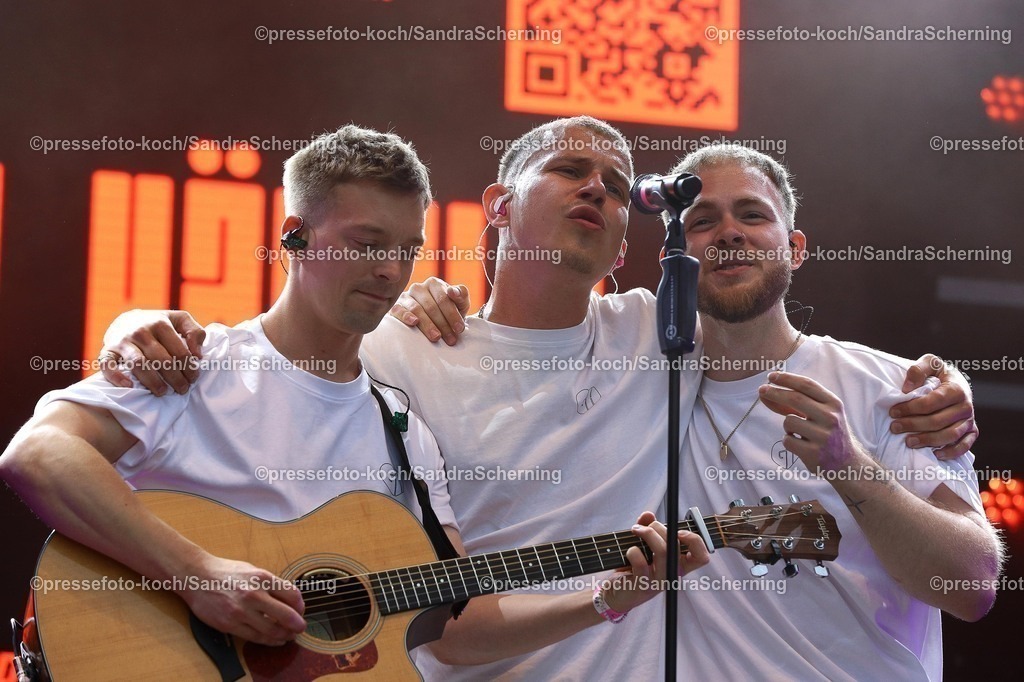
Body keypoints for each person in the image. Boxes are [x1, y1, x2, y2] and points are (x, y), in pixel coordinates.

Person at [96, 117, 978, 679]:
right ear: (496, 204)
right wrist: (140, 329)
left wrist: (937, 388)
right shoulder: (398, 341)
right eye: (570, 168)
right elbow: (262, 363)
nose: (598, 188)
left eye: (617, 187)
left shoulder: (659, 337)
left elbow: (758, 315)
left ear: (626, 251)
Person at [0, 123, 694, 671]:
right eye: (366, 242)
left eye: (407, 249)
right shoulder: (198, 363)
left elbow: (455, 624)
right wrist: (198, 574)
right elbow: (38, 452)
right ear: (294, 236)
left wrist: (606, 599)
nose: (389, 270)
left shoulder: (404, 429)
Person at [663, 145, 1000, 679]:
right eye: (702, 221)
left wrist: (849, 464)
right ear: (674, 256)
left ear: (795, 249)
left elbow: (971, 587)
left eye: (752, 214)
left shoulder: (892, 387)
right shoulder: (641, 376)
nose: (728, 233)